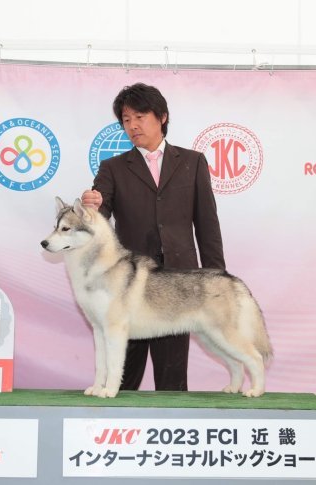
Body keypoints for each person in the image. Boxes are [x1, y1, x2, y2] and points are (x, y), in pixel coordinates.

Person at [81, 82, 226, 391]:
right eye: (126, 120)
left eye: (139, 117)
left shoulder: (193, 162)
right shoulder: (112, 168)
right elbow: (99, 216)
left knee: (173, 381)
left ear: (162, 117)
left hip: (178, 284)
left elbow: (207, 225)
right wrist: (91, 207)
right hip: (127, 285)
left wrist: (217, 278)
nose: (132, 126)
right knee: (122, 380)